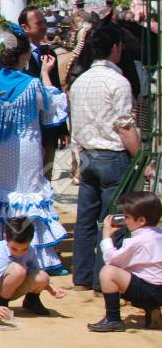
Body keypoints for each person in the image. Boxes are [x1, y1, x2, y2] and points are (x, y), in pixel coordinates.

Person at [0, 35, 68, 273]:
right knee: (28, 193)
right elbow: (51, 108)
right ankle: (38, 258)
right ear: (25, 56)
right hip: (25, 144)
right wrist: (46, 73)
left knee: (1, 192)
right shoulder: (32, 83)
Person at [69, 25, 140, 291]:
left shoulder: (79, 82)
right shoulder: (118, 82)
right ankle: (103, 280)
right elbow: (124, 126)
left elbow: (74, 124)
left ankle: (82, 277)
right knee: (113, 221)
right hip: (113, 157)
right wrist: (142, 158)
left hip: (88, 155)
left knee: (85, 220)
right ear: (115, 48)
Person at [88, 191, 162, 332]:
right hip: (157, 289)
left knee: (108, 272)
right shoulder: (159, 234)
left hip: (150, 292)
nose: (124, 220)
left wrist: (106, 236)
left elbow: (111, 260)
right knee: (141, 270)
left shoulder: (137, 241)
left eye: (126, 217)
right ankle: (152, 309)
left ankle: (113, 319)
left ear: (141, 221)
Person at [0, 217, 67, 324]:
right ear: (5, 238)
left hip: (15, 285)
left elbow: (36, 270)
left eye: (24, 249)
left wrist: (51, 288)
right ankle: (2, 303)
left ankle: (32, 301)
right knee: (19, 269)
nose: (19, 253)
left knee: (43, 276)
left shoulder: (31, 250)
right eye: (14, 249)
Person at [18, 7, 66, 175]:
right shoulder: (16, 55)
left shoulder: (50, 54)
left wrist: (61, 128)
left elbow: (56, 90)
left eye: (45, 22)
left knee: (46, 176)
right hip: (25, 131)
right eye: (39, 23)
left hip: (48, 131)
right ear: (25, 27)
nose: (44, 27)